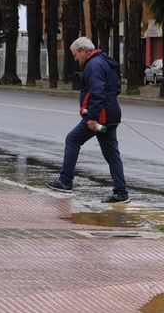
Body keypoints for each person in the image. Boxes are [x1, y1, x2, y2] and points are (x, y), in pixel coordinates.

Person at [48, 37, 129, 203]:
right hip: (111, 112)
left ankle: (65, 181)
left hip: (100, 115)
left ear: (83, 51)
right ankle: (121, 192)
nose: (75, 58)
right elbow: (115, 87)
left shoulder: (93, 65)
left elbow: (97, 91)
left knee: (72, 139)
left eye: (75, 54)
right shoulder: (104, 61)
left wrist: (92, 117)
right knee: (112, 155)